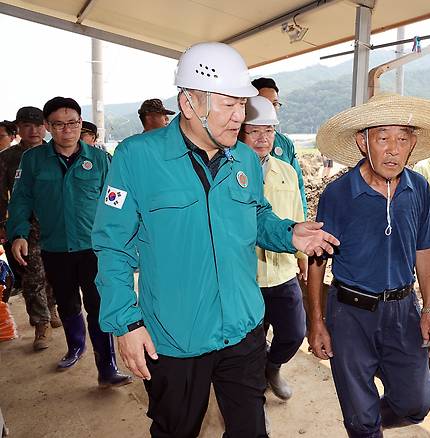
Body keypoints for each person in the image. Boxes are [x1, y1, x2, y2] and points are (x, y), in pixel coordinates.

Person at [92, 42, 338, 438]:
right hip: (174, 336)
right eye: (228, 106)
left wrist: (288, 232)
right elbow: (111, 245)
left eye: (242, 105)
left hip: (242, 326)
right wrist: (125, 323)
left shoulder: (243, 159)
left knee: (251, 431)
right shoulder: (136, 157)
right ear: (189, 103)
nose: (239, 117)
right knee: (177, 430)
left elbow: (256, 216)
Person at [308, 93, 430, 438]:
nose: (393, 149)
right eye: (382, 138)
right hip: (349, 314)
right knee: (362, 422)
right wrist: (315, 320)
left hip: (403, 309)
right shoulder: (338, 194)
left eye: (402, 139)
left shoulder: (419, 188)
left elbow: (425, 249)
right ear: (363, 142)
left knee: (415, 404)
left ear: (413, 144)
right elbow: (316, 260)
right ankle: (362, 425)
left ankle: (362, 422)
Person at [7, 97, 131, 387]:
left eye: (73, 123)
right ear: (48, 127)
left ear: (80, 123)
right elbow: (22, 199)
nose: (68, 130)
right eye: (60, 124)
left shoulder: (100, 159)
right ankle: (75, 346)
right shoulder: (33, 160)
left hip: (94, 249)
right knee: (67, 304)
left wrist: (122, 235)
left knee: (99, 306)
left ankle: (107, 366)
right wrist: (18, 234)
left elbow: (116, 199)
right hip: (55, 247)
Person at [238, 96, 306, 401]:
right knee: (248, 346)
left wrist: (303, 255)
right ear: (241, 134)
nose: (262, 138)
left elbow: (297, 215)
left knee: (293, 333)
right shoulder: (230, 172)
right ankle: (255, 403)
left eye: (268, 131)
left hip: (281, 271)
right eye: (254, 132)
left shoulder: (287, 172)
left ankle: (273, 367)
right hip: (245, 276)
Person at [0, 107, 59, 350]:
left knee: (56, 271)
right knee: (33, 275)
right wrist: (4, 225)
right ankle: (40, 325)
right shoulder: (7, 158)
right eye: (26, 126)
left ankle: (53, 307)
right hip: (25, 226)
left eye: (37, 125)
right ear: (19, 129)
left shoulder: (56, 151)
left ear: (45, 126)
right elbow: (1, 195)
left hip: (57, 224)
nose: (33, 130)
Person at [251, 77, 308, 218]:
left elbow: (298, 191)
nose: (270, 108)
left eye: (274, 103)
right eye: (264, 103)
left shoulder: (285, 144)